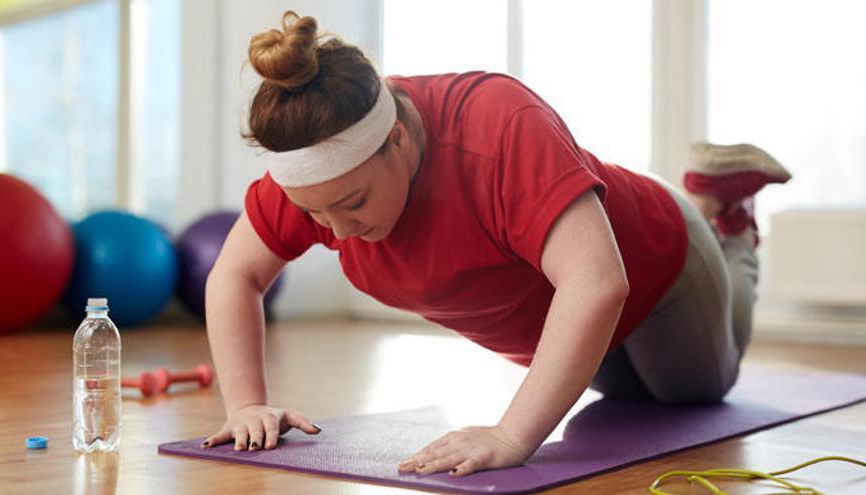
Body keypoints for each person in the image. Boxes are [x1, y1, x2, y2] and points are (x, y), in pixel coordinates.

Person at [201, 11, 792, 477]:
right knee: (629, 400)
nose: (337, 230)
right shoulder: (317, 174)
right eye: (314, 214)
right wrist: (246, 405)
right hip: (582, 316)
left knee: (689, 393)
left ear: (399, 141)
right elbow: (234, 276)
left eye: (354, 205)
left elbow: (597, 282)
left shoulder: (498, 125)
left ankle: (727, 225)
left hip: (663, 262)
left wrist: (511, 435)